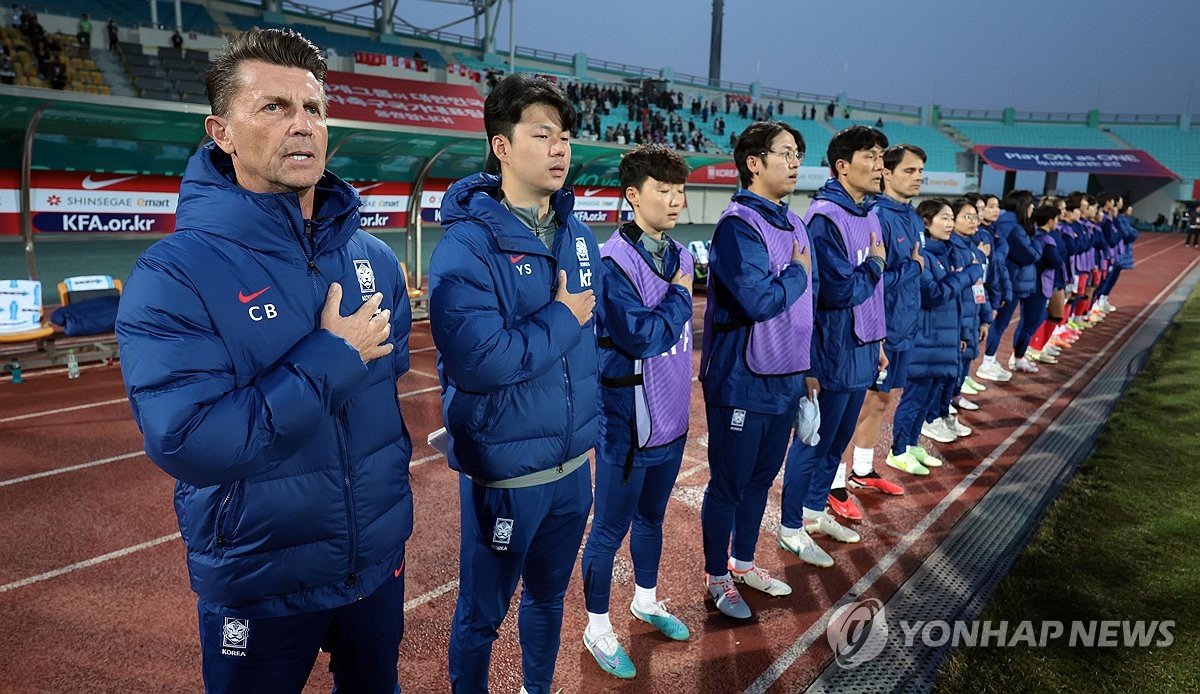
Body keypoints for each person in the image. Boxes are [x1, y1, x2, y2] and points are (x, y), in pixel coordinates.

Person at [116, 28, 414, 692]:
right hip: (260, 578)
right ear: (222, 132)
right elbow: (188, 440)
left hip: (375, 560)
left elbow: (385, 393)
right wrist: (331, 358)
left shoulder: (375, 260)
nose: (302, 126)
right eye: (274, 107)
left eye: (313, 109)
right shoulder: (175, 274)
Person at [429, 73, 600, 694]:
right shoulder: (466, 247)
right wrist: (560, 316)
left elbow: (589, 346)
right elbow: (479, 362)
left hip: (572, 467)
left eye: (567, 138)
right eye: (543, 135)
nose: (561, 150)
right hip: (506, 474)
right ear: (501, 147)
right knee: (480, 616)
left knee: (551, 600)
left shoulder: (579, 237)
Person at [578, 145, 694, 680]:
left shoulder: (680, 255)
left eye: (679, 190)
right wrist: (680, 296)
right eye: (663, 190)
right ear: (632, 196)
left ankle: (645, 600)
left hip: (671, 414)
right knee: (609, 529)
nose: (675, 200)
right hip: (628, 420)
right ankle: (596, 626)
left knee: (653, 518)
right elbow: (640, 336)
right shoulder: (612, 262)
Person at [698, 120, 812, 619]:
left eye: (798, 154)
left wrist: (808, 369)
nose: (794, 162)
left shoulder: (795, 221)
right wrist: (796, 272)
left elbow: (805, 308)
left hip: (787, 375)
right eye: (785, 153)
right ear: (753, 163)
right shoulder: (737, 225)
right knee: (729, 482)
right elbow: (759, 299)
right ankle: (716, 578)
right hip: (742, 379)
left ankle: (743, 564)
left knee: (760, 480)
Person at [779, 125, 887, 568]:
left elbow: (869, 292)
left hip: (863, 345)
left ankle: (812, 511)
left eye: (882, 156)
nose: (880, 164)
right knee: (813, 441)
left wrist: (878, 338)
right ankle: (790, 528)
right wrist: (878, 264)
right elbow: (838, 291)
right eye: (871, 156)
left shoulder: (868, 210)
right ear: (842, 166)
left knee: (837, 440)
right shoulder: (824, 216)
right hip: (832, 347)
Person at [844, 144, 925, 493]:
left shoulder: (913, 215)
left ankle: (863, 470)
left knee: (880, 401)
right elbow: (873, 281)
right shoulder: (878, 216)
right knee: (854, 408)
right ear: (887, 173)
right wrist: (913, 268)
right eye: (910, 170)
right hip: (878, 329)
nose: (918, 177)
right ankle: (831, 484)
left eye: (921, 171)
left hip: (903, 327)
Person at [889, 199, 982, 470]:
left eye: (952, 217)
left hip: (943, 339)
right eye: (944, 218)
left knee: (927, 398)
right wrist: (968, 274)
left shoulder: (947, 254)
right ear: (926, 223)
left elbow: (958, 300)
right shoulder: (923, 254)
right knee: (914, 397)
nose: (950, 223)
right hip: (924, 338)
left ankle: (912, 445)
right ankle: (897, 450)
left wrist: (963, 332)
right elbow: (933, 294)